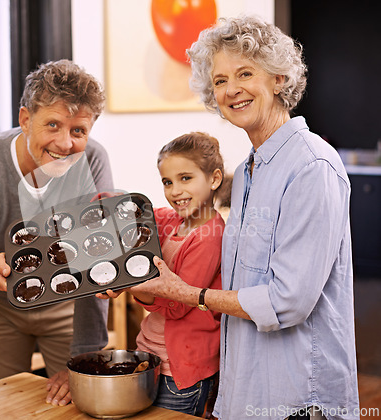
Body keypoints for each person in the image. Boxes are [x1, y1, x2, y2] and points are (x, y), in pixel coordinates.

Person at [103, 16, 360, 420]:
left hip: (299, 395)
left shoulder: (313, 166)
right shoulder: (246, 173)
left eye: (245, 73)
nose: (232, 90)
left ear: (278, 79)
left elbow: (287, 301)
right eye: (220, 80)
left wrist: (190, 295)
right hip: (246, 387)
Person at [0, 59, 113, 407]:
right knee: (6, 406)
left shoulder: (93, 160)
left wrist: (84, 357)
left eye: (78, 130)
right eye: (52, 124)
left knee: (79, 403)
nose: (65, 143)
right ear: (25, 119)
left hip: (69, 306)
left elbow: (98, 264)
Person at [100, 132, 226, 417]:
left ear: (214, 178)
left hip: (181, 371)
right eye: (167, 182)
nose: (175, 191)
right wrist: (109, 199)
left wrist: (129, 284)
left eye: (185, 178)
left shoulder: (209, 236)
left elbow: (178, 304)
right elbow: (139, 213)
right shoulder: (173, 220)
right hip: (153, 354)